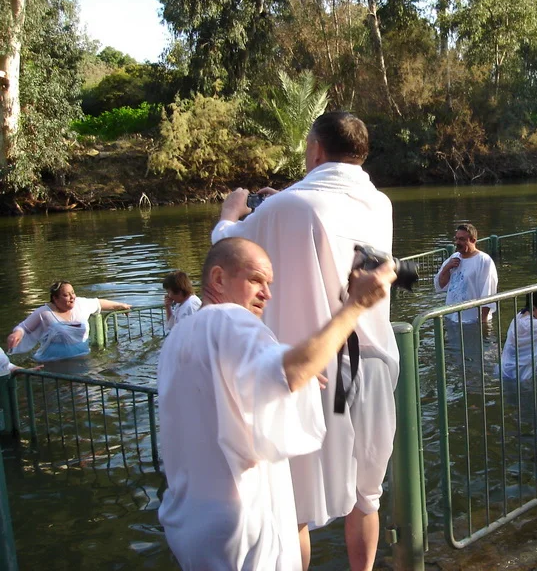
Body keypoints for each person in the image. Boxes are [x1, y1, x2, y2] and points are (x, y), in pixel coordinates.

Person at [211, 111, 398, 571]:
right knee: (367, 496)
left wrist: (229, 214)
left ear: (315, 149)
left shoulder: (288, 208)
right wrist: (284, 201)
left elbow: (229, 250)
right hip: (372, 366)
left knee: (293, 505)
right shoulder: (380, 204)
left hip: (316, 371)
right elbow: (322, 214)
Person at [158, 237, 395, 570]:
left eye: (269, 283)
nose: (267, 294)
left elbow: (226, 403)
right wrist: (355, 305)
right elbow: (291, 373)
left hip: (193, 524)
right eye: (256, 279)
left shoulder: (178, 338)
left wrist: (290, 380)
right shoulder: (229, 319)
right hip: (243, 531)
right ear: (219, 279)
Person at [6, 280, 131, 362]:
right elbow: (24, 327)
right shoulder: (45, 312)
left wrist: (121, 305)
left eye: (73, 293)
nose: (72, 297)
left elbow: (99, 303)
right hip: (52, 362)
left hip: (81, 359)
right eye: (66, 295)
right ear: (55, 299)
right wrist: (16, 334)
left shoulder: (81, 304)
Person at [434, 223, 499, 324]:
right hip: (451, 318)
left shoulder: (484, 261)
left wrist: (483, 322)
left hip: (473, 320)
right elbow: (441, 284)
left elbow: (488, 292)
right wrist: (446, 268)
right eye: (456, 239)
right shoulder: (453, 258)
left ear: (473, 240)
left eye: (462, 239)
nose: (457, 242)